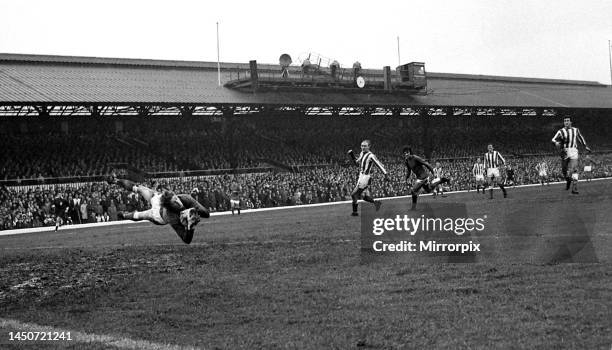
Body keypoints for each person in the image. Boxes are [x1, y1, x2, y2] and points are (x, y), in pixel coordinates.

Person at [108, 175, 209, 244]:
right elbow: (186, 239)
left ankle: (124, 215)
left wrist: (193, 207)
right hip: (157, 215)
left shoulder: (184, 198)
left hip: (159, 201)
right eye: (175, 201)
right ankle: (116, 181)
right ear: (170, 205)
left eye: (176, 198)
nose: (178, 201)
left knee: (140, 212)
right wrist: (189, 228)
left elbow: (206, 214)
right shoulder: (172, 216)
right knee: (139, 195)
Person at [347, 140, 389, 216]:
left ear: (369, 146)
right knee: (364, 197)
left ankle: (355, 212)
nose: (363, 147)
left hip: (365, 177)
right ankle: (376, 203)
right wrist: (352, 155)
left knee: (354, 194)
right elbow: (357, 164)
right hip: (361, 176)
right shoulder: (362, 153)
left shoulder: (371, 156)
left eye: (365, 146)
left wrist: (386, 174)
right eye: (362, 146)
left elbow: (378, 165)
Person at [552, 116, 591, 194]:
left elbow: (580, 138)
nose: (566, 122)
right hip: (565, 151)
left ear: (570, 122)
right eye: (565, 121)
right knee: (564, 169)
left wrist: (585, 146)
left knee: (574, 169)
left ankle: (574, 188)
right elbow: (553, 139)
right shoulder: (561, 131)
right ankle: (568, 180)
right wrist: (556, 142)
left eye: (568, 121)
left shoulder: (575, 130)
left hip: (573, 151)